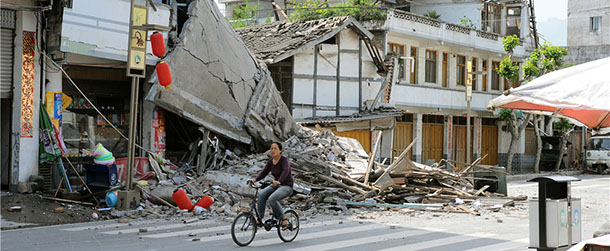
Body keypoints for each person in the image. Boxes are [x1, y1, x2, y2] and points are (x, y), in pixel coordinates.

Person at [251, 142, 293, 230]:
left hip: (286, 186)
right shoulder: (270, 161)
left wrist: (279, 181)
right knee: (261, 195)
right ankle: (260, 217)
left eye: (275, 148)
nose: (273, 150)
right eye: (271, 148)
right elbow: (264, 173)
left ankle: (284, 219)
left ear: (280, 150)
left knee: (272, 199)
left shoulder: (284, 160)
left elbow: (286, 171)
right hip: (276, 185)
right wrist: (255, 180)